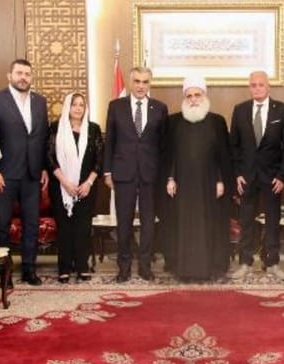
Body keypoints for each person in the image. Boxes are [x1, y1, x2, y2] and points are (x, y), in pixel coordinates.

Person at [0, 59, 49, 286]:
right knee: (1, 225)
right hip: (5, 174)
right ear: (9, 75)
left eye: (27, 74)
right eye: (19, 73)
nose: (23, 77)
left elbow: (42, 136)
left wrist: (43, 167)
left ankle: (29, 270)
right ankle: (4, 273)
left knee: (31, 224)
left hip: (32, 173)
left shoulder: (40, 101)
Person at [164, 76, 233, 281]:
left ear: (204, 95)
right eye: (189, 96)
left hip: (209, 184)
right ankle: (183, 269)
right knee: (184, 225)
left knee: (208, 223)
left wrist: (220, 180)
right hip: (182, 185)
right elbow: (170, 154)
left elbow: (222, 156)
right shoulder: (174, 122)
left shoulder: (217, 122)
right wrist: (170, 178)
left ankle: (210, 268)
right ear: (185, 97)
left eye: (197, 95)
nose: (193, 99)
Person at [103, 67, 168, 282]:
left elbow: (163, 146)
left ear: (150, 84)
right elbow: (110, 141)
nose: (141, 86)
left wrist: (165, 176)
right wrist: (107, 171)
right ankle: (123, 267)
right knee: (124, 222)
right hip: (123, 173)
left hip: (150, 174)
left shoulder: (160, 108)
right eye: (137, 81)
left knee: (149, 223)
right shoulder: (116, 106)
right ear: (131, 83)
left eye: (145, 82)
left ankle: (145, 266)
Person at [230, 71, 284, 281]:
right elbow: (234, 146)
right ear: (249, 87)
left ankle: (272, 263)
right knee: (246, 221)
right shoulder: (240, 110)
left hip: (272, 178)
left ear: (268, 87)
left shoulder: (282, 110)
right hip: (247, 178)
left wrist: (282, 176)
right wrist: (237, 174)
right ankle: (245, 263)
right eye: (253, 85)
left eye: (261, 84)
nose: (257, 88)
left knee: (273, 222)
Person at [47, 92, 103, 283]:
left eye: (81, 105)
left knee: (83, 227)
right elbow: (49, 157)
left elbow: (99, 160)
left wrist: (88, 183)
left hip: (86, 187)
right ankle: (64, 267)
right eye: (74, 104)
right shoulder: (56, 127)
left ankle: (82, 266)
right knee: (64, 228)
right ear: (67, 107)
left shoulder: (93, 129)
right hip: (61, 186)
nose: (78, 108)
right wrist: (65, 183)